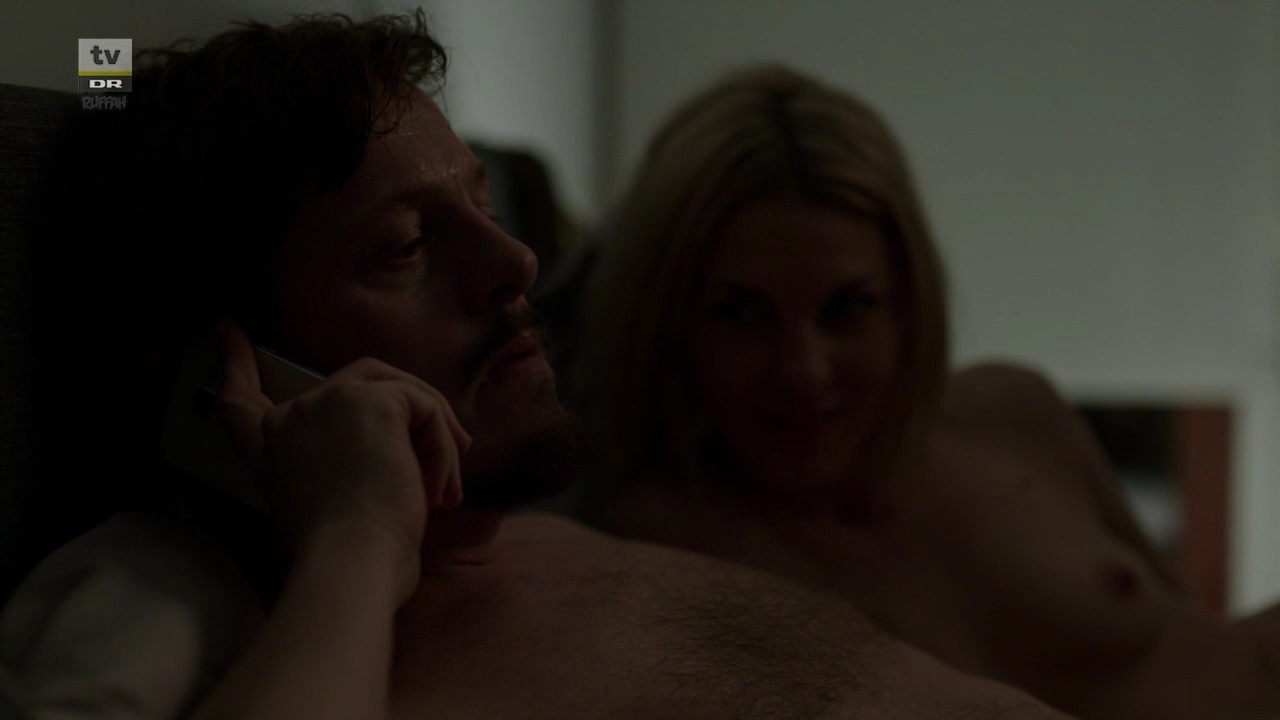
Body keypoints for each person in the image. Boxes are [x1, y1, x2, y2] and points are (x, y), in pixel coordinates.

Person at [0, 14, 1088, 720]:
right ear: (216, 372)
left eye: (480, 202)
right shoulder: (185, 619)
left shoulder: (555, 543)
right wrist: (356, 539)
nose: (516, 262)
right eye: (407, 245)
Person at [575, 63, 1280, 720]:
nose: (805, 371)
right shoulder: (656, 548)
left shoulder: (1013, 410)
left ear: (908, 302)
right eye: (741, 314)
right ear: (669, 320)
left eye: (848, 309)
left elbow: (1197, 629)